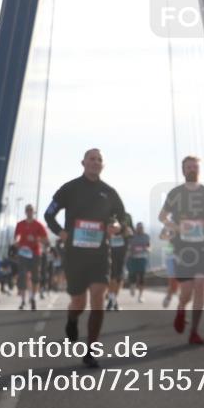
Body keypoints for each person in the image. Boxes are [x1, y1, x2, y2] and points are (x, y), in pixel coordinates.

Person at [44, 148, 127, 368]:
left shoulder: (109, 192)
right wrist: (61, 233)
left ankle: (91, 350)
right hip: (75, 255)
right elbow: (48, 214)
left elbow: (123, 217)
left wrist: (117, 226)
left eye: (99, 159)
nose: (95, 162)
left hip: (100, 254)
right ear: (83, 163)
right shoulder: (69, 189)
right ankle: (72, 319)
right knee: (79, 302)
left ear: (102, 165)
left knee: (98, 299)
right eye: (92, 159)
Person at [159, 155, 204, 345]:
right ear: (183, 170)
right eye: (188, 167)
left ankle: (194, 331)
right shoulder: (175, 193)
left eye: (195, 166)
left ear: (199, 170)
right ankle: (180, 308)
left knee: (201, 286)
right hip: (182, 247)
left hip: (202, 245)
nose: (192, 169)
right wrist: (177, 228)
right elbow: (162, 217)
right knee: (186, 291)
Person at [14, 204, 48, 310]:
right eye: (27, 210)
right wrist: (17, 241)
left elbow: (46, 241)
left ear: (33, 212)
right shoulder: (20, 224)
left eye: (31, 210)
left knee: (35, 277)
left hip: (35, 253)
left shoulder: (38, 225)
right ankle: (23, 301)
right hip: (23, 253)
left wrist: (36, 239)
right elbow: (17, 236)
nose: (29, 212)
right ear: (25, 212)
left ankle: (32, 298)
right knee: (22, 276)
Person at [106, 212, 133, 311]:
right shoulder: (108, 215)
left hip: (122, 252)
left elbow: (131, 231)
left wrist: (127, 233)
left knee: (119, 278)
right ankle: (111, 301)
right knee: (112, 276)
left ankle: (113, 300)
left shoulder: (127, 216)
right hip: (110, 252)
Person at [127, 222, 151, 302]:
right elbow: (128, 246)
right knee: (132, 275)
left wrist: (148, 249)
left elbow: (149, 246)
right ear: (136, 228)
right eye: (138, 227)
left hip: (142, 258)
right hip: (132, 258)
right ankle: (132, 286)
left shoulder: (146, 236)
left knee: (142, 277)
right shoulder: (132, 236)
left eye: (141, 227)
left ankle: (140, 296)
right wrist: (130, 249)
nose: (140, 229)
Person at [160, 228, 179, 308]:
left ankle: (170, 296)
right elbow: (162, 236)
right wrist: (165, 228)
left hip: (185, 258)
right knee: (173, 281)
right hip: (171, 257)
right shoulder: (172, 229)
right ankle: (169, 296)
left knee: (181, 283)